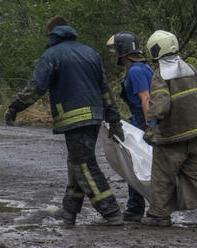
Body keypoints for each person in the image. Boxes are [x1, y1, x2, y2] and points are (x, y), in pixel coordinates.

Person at [4, 17, 125, 225]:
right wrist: (114, 119)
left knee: (84, 164)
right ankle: (69, 211)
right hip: (94, 117)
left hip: (74, 118)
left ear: (51, 33)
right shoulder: (90, 53)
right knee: (76, 162)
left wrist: (14, 107)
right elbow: (105, 90)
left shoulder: (51, 55)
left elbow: (36, 88)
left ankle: (111, 211)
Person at [141, 30, 197, 227]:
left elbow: (160, 105)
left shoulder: (161, 74)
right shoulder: (190, 68)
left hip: (171, 135)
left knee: (163, 175)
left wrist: (151, 125)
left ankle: (159, 215)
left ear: (156, 49)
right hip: (195, 133)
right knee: (195, 172)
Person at [106, 31, 153, 222]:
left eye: (114, 50)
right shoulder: (142, 68)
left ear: (123, 51)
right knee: (136, 163)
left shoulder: (135, 71)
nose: (113, 54)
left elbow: (145, 98)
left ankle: (135, 208)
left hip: (143, 122)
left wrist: (149, 126)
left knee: (135, 164)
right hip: (140, 120)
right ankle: (135, 207)